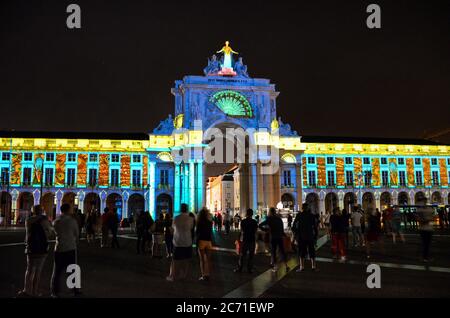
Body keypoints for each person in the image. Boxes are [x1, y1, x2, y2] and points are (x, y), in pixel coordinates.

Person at [18, 205, 54, 297]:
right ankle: (35, 292)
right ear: (41, 211)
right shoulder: (45, 220)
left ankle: (27, 290)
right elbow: (50, 233)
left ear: (33, 211)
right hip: (42, 248)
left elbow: (27, 234)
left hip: (31, 248)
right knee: (38, 271)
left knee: (29, 269)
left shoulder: (28, 220)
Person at [50, 203, 80, 297]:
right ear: (68, 210)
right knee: (73, 270)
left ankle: (54, 291)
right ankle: (74, 290)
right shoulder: (72, 221)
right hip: (70, 247)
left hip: (59, 248)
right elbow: (77, 234)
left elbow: (54, 233)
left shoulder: (56, 221)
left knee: (57, 271)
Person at [167, 203, 195, 282]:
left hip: (177, 242)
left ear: (180, 209)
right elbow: (191, 228)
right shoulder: (191, 219)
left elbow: (172, 229)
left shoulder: (176, 218)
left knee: (175, 260)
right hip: (187, 242)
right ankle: (184, 275)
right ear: (187, 209)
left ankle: (173, 276)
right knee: (186, 260)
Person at [259, 207, 289, 272]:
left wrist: (266, 230)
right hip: (279, 237)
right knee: (282, 251)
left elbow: (260, 225)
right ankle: (286, 265)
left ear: (270, 212)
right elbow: (282, 229)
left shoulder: (269, 219)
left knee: (273, 252)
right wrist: (284, 235)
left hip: (273, 237)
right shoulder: (279, 219)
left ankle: (275, 267)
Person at [293, 204, 318, 272]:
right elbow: (315, 227)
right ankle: (313, 266)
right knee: (312, 251)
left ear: (302, 208)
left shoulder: (299, 215)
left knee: (301, 252)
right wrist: (315, 236)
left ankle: (302, 267)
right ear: (308, 208)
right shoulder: (311, 216)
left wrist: (296, 233)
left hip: (301, 236)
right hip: (310, 236)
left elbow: (294, 225)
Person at [234, 209, 258, 273]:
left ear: (246, 214)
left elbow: (242, 231)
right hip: (252, 240)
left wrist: (238, 239)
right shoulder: (254, 222)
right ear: (252, 214)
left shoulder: (243, 221)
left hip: (245, 239)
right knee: (251, 256)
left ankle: (240, 268)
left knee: (242, 255)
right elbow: (255, 232)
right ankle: (249, 269)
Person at [196, 207, 214, 281]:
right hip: (209, 241)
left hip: (201, 241)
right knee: (208, 259)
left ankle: (203, 275)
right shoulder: (210, 222)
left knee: (202, 259)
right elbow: (210, 232)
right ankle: (208, 274)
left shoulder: (199, 221)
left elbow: (197, 232)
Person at [416, 195, 434, 262]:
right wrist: (427, 220)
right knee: (426, 244)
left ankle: (425, 257)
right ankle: (425, 258)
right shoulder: (423, 209)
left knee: (426, 244)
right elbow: (419, 219)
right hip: (424, 229)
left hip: (428, 229)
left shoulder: (424, 209)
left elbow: (432, 216)